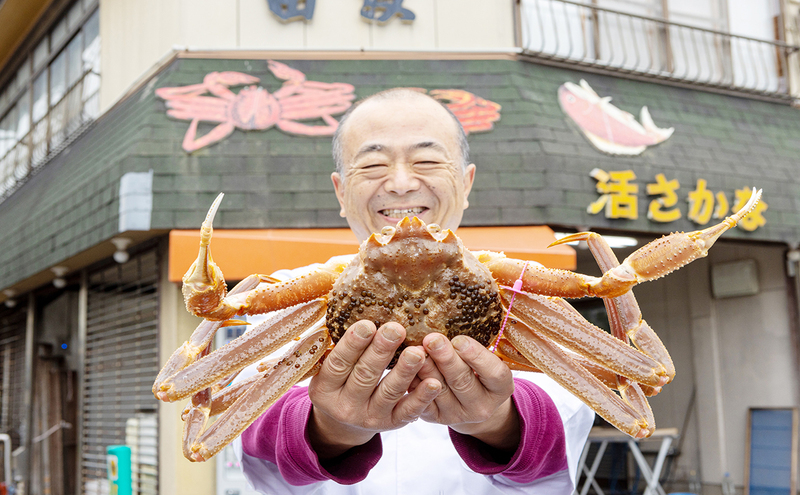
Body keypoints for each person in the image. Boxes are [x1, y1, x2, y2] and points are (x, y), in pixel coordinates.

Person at [232, 89, 594, 493]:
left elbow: (570, 415)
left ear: (466, 183)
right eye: (373, 164)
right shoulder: (284, 296)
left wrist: (500, 422)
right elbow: (245, 428)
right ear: (341, 192)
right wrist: (328, 430)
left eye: (427, 161)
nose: (401, 183)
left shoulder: (528, 297)